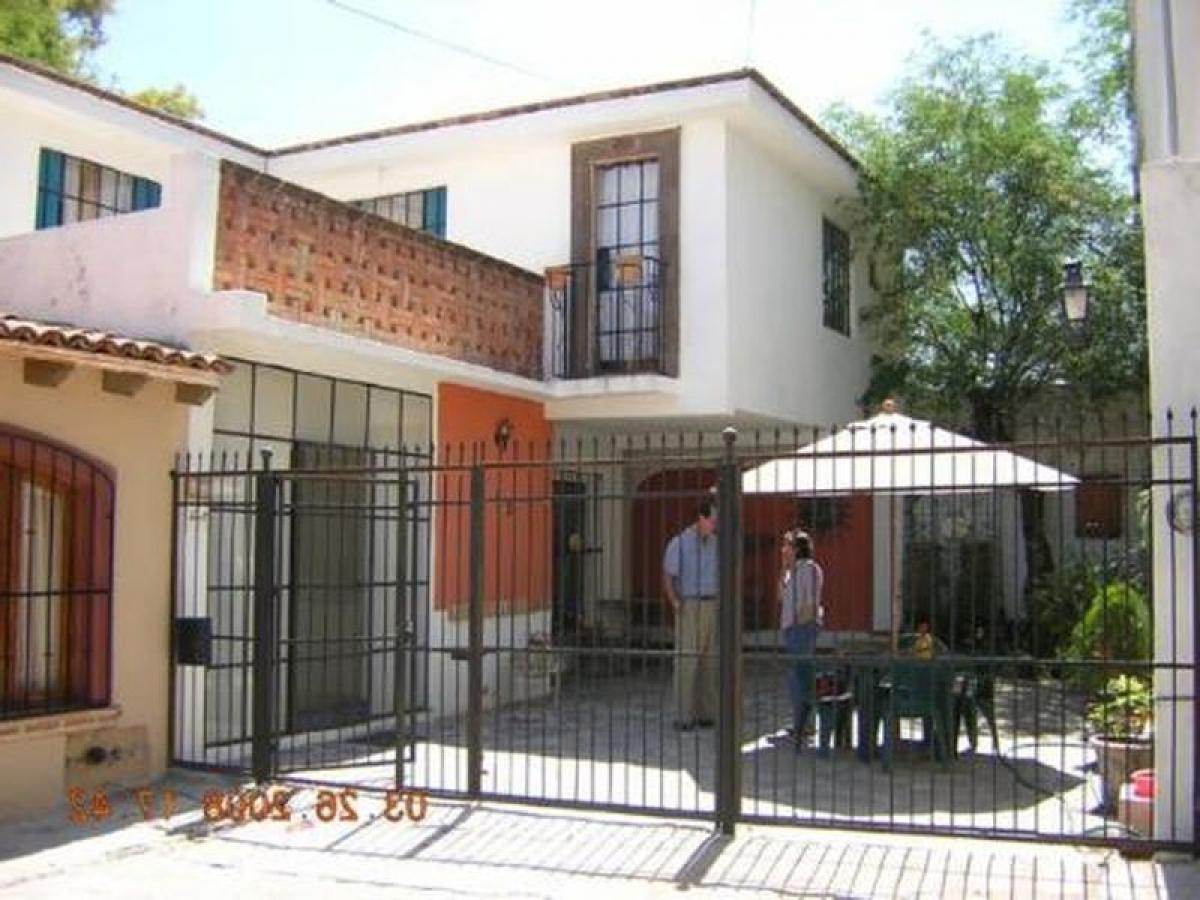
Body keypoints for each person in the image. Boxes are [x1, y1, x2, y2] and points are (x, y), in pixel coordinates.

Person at [662, 499, 718, 731]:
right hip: (690, 604)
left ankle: (707, 713)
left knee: (710, 660)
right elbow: (668, 575)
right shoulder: (679, 543)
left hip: (712, 603)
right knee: (687, 660)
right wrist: (675, 602)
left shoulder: (716, 543)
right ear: (701, 518)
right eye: (712, 520)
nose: (714, 525)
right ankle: (683, 716)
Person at [779, 529, 824, 747]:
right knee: (794, 676)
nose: (783, 549)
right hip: (790, 628)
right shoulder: (792, 572)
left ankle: (805, 724)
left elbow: (811, 601)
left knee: (801, 676)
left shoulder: (809, 569)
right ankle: (800, 721)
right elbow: (781, 596)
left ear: (798, 548)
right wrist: (783, 570)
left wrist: (799, 624)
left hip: (801, 628)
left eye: (787, 545)